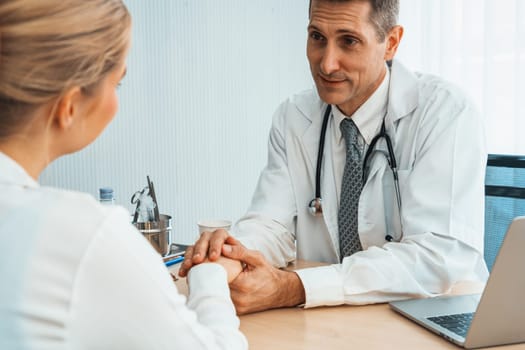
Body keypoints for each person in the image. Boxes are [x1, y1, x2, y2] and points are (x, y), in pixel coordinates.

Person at [180, 0, 488, 314]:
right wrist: (232, 252)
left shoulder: (445, 113)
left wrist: (295, 288)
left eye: (349, 41)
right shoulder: (293, 117)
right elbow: (271, 225)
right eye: (317, 37)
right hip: (338, 318)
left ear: (391, 42)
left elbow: (435, 258)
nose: (326, 64)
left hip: (437, 317)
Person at [0, 1, 247, 349]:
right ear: (69, 106)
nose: (117, 102)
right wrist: (210, 275)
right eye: (117, 84)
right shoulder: (81, 233)